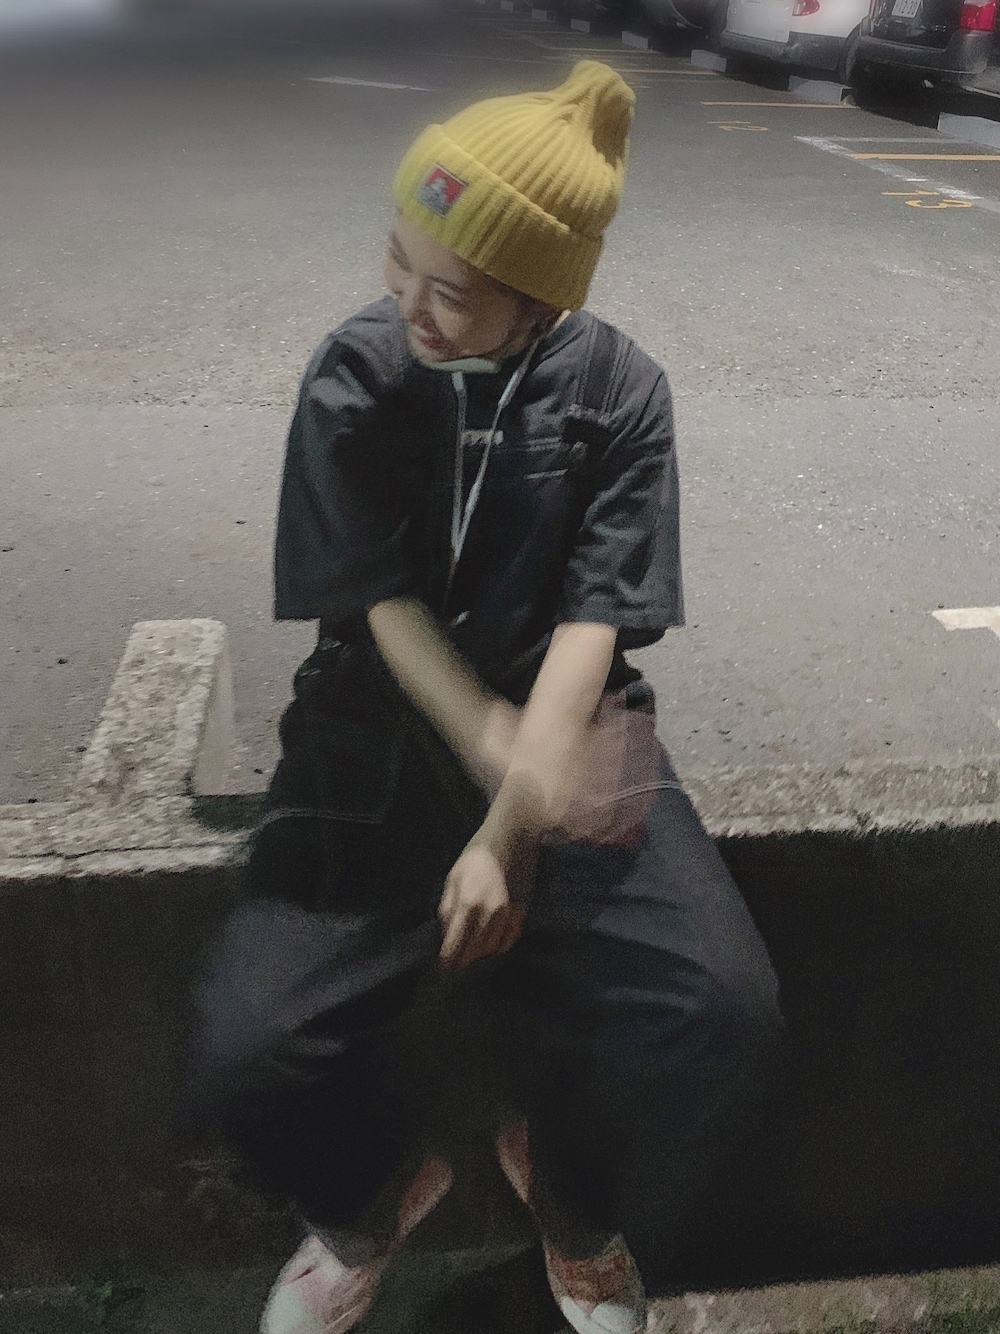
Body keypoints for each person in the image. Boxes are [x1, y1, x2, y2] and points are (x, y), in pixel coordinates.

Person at [191, 60, 783, 1334]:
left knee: (718, 1008)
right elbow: (378, 598)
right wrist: (488, 747)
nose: (409, 302)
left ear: (544, 294)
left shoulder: (620, 392)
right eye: (397, 259)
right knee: (248, 1041)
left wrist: (511, 820)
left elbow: (593, 621)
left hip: (570, 724)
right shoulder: (357, 371)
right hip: (374, 723)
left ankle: (571, 1201)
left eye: (453, 289)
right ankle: (366, 1200)